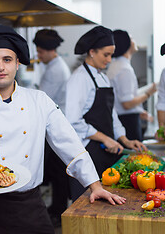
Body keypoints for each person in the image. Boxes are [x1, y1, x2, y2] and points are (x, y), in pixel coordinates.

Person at [0, 25, 126, 234]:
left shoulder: (39, 101)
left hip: (28, 203)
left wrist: (94, 185)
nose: (0, 67)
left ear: (17, 64)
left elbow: (69, 143)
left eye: (7, 59)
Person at [65, 25, 147, 201]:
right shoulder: (79, 79)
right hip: (87, 154)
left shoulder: (102, 77)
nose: (109, 60)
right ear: (92, 52)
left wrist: (124, 139)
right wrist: (104, 138)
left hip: (106, 153)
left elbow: (112, 114)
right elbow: (73, 121)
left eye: (111, 54)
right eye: (106, 55)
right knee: (86, 207)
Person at [33, 29, 71, 227]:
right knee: (58, 173)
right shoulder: (55, 66)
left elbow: (41, 100)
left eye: (40, 51)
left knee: (58, 173)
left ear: (49, 50)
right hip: (56, 126)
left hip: (55, 128)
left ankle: (58, 211)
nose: (38, 55)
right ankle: (58, 209)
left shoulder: (55, 69)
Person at [107, 30, 157, 141]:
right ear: (127, 44)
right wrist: (149, 93)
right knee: (134, 156)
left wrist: (138, 112)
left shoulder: (115, 65)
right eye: (132, 38)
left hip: (123, 119)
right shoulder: (124, 69)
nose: (135, 41)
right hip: (128, 123)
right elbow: (127, 104)